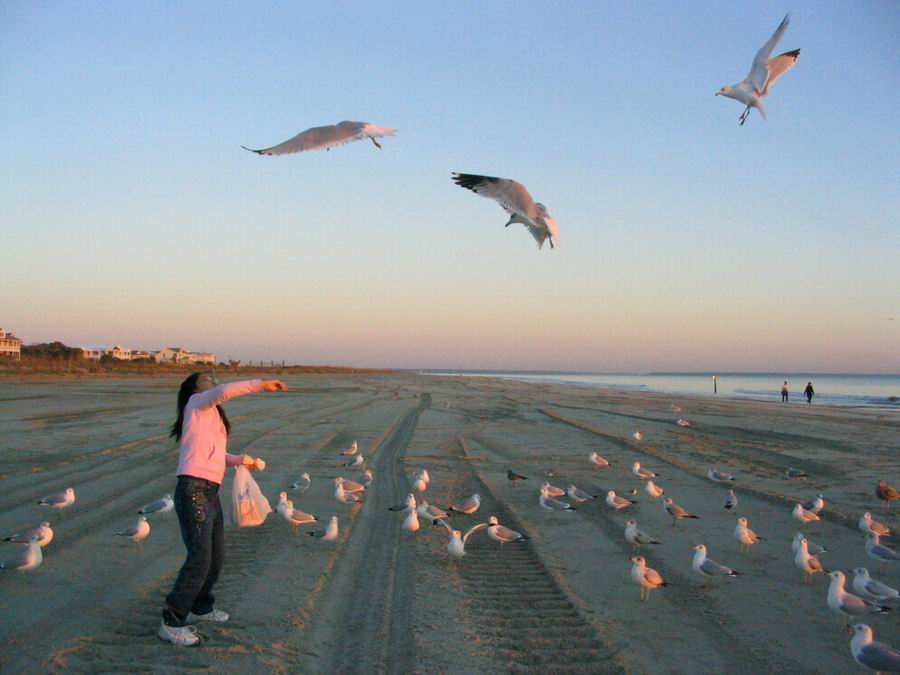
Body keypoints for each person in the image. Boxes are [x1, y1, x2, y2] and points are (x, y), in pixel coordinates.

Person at [159, 373, 287, 646]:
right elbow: (223, 392)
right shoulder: (197, 403)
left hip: (209, 491)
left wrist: (240, 460)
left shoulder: (211, 416)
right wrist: (260, 384)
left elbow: (214, 453)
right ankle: (171, 620)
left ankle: (200, 607)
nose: (211, 380)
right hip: (193, 490)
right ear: (193, 388)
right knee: (200, 558)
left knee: (215, 558)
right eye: (205, 378)